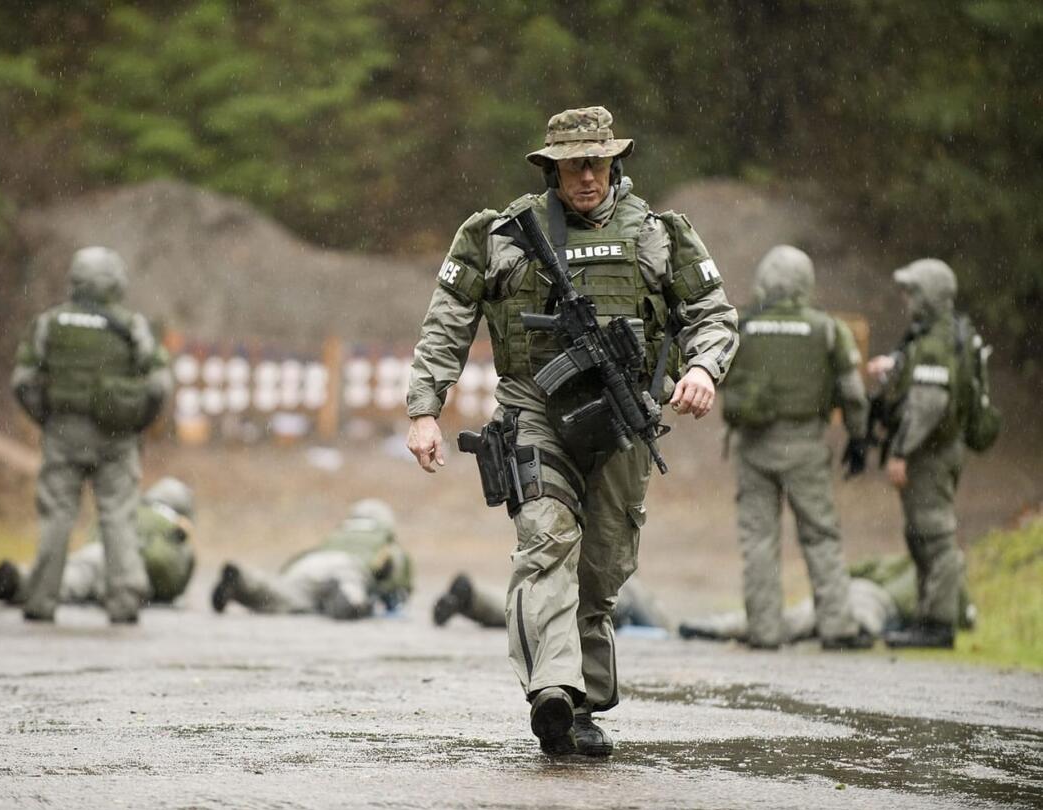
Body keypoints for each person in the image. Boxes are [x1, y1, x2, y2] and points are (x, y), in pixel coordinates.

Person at [405, 107, 738, 756]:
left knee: (602, 564)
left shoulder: (659, 234)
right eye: (571, 164)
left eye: (596, 161)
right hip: (536, 409)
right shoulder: (501, 235)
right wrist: (424, 408)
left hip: (624, 417)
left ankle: (583, 703)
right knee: (546, 538)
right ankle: (552, 690)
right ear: (550, 166)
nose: (585, 176)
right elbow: (448, 320)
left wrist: (703, 367)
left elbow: (713, 314)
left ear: (614, 161)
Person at [719, 245, 871, 650]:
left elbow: (718, 375)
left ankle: (765, 631)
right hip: (805, 445)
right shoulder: (826, 328)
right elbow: (853, 393)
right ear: (806, 281)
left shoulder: (742, 325)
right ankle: (837, 627)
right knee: (820, 536)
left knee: (759, 540)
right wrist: (859, 438)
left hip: (753, 447)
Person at [12, 246, 172, 624]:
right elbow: (160, 385)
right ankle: (123, 601)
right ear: (115, 282)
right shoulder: (133, 326)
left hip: (63, 433)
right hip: (117, 437)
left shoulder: (49, 323)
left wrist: (48, 419)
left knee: (56, 517)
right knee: (118, 517)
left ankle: (40, 600)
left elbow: (22, 382)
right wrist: (136, 422)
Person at [867, 259, 970, 649]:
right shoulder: (933, 335)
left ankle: (938, 625)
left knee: (936, 535)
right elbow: (924, 378)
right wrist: (895, 366)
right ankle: (927, 618)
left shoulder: (935, 340)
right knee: (921, 533)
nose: (906, 299)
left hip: (929, 453)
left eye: (913, 292)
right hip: (932, 450)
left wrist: (900, 452)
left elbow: (928, 403)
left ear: (929, 296)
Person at [0, 477, 196, 607]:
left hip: (99, 552)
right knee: (73, 584)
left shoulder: (132, 507)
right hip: (130, 571)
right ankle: (18, 585)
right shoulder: (175, 526)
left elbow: (98, 529)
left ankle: (19, 579)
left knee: (67, 573)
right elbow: (173, 575)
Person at [677, 554, 976, 643]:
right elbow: (956, 614)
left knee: (795, 618)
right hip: (869, 598)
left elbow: (861, 567)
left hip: (860, 593)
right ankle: (720, 626)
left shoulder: (909, 561)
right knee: (806, 619)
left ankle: (721, 626)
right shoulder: (935, 568)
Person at [210, 499, 412, 620]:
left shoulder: (341, 532)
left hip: (309, 564)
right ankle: (348, 602)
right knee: (352, 601)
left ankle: (246, 580)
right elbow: (398, 581)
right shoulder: (387, 542)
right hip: (347, 569)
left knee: (282, 597)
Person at [433, 573, 673, 633]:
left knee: (537, 604)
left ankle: (475, 598)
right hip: (612, 598)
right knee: (543, 611)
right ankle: (474, 599)